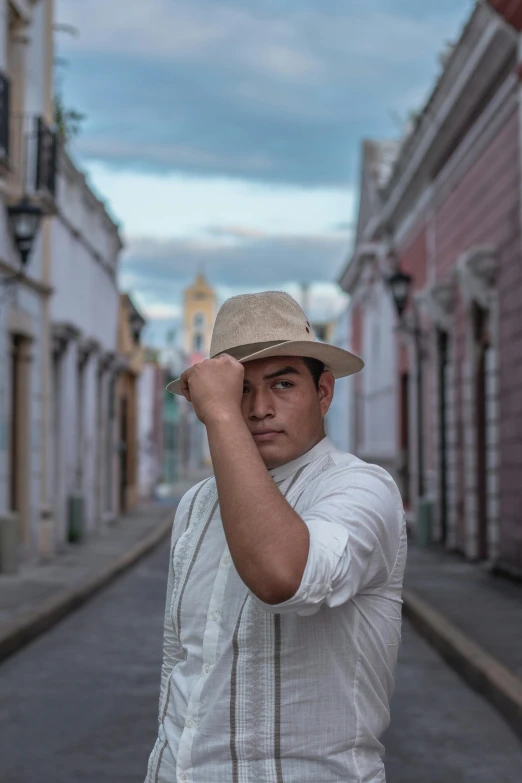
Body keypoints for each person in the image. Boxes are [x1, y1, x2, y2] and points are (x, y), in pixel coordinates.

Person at [144, 290, 406, 783]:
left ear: (323, 393)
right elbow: (181, 665)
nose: (259, 407)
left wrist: (222, 417)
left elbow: (284, 576)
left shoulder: (362, 488)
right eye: (240, 388)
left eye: (282, 384)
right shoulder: (197, 505)